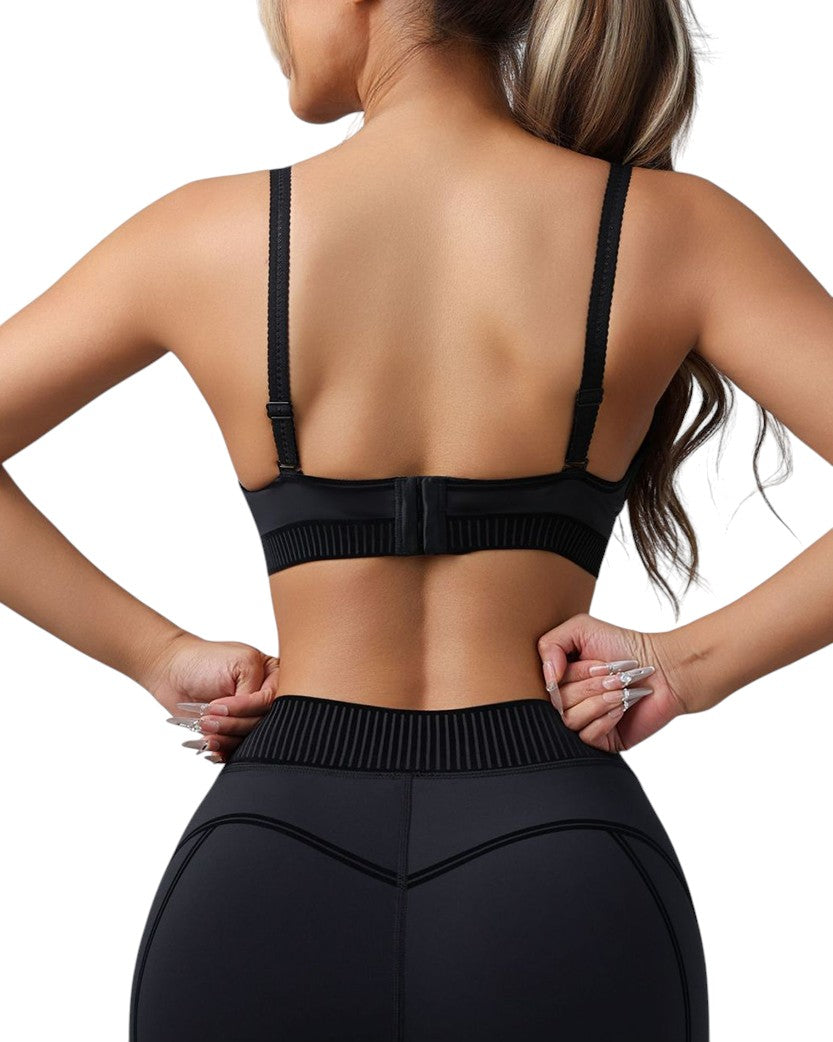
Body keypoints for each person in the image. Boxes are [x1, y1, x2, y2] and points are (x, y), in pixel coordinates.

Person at [1, 1, 830, 1040]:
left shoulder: (200, 236)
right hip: (561, 868)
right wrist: (683, 665)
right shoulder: (671, 230)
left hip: (266, 869)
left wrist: (156, 654)